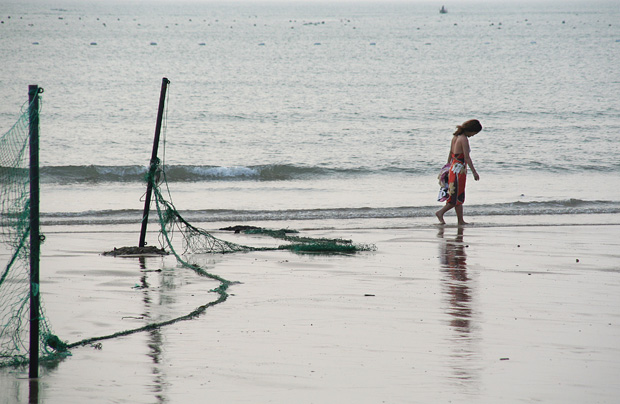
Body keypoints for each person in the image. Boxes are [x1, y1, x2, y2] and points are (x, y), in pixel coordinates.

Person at [435, 119, 482, 225]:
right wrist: (474, 172)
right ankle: (440, 212)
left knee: (458, 195)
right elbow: (467, 157)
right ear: (471, 130)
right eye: (474, 133)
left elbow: (451, 153)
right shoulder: (463, 139)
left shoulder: (455, 137)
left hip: (453, 168)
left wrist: (447, 167)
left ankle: (460, 220)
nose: (473, 135)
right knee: (456, 197)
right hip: (459, 171)